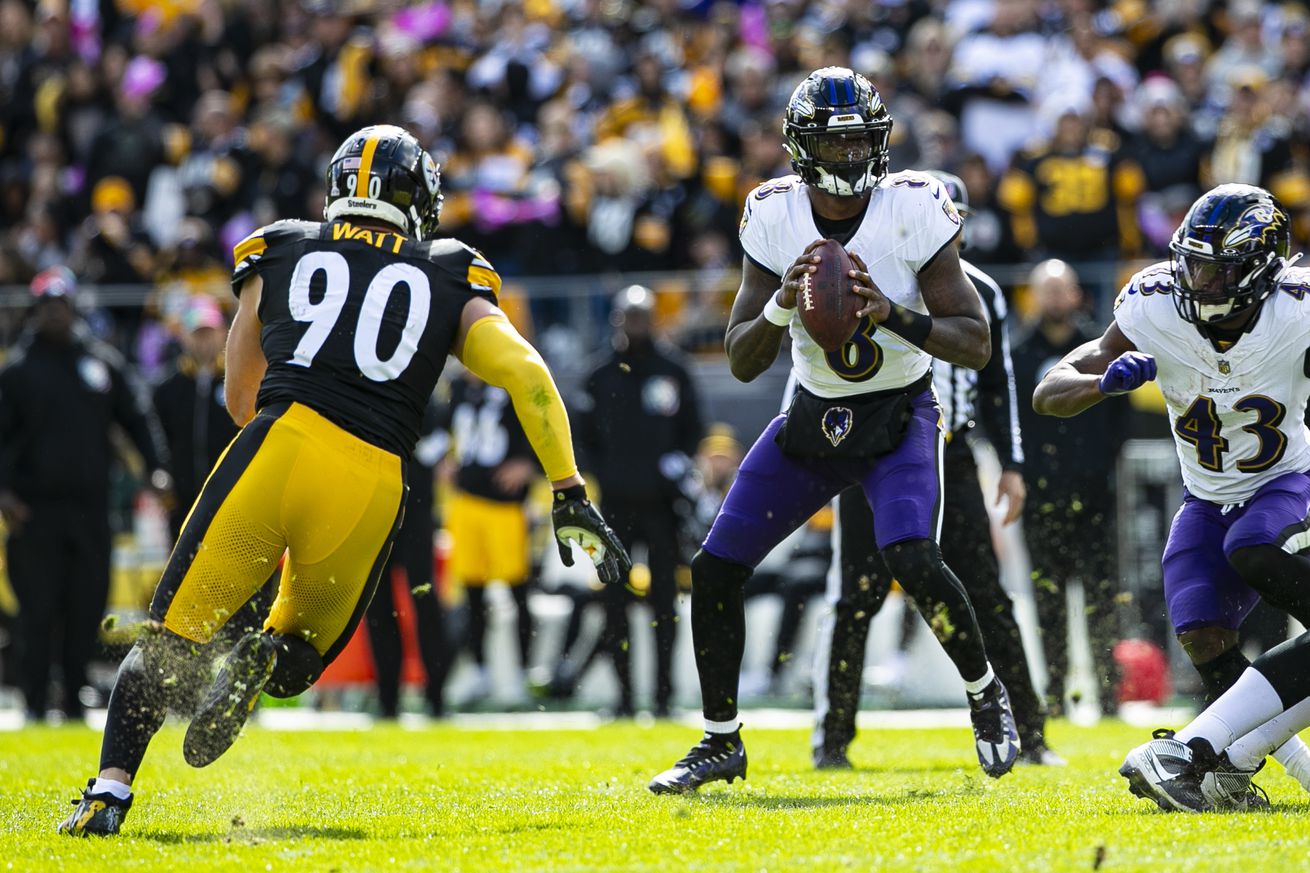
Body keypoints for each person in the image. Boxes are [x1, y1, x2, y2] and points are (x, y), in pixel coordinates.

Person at [58, 124, 630, 837]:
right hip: (372, 480)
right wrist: (569, 488)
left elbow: (240, 403)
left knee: (169, 639)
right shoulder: (450, 268)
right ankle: (260, 660)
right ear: (418, 197)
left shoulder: (284, 246)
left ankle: (108, 794)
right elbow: (527, 374)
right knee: (299, 659)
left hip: (282, 444)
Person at [648, 67, 1018, 795]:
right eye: (837, 142)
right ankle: (721, 740)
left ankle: (984, 693)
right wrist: (784, 306)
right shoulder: (772, 215)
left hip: (900, 411)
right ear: (801, 146)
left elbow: (975, 340)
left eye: (861, 140)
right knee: (717, 567)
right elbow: (741, 356)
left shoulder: (913, 207)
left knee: (911, 553)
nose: (852, 156)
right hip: (814, 413)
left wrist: (892, 312)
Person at [1033, 183, 1310, 804]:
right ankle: (1249, 763)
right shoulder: (1154, 305)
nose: (1200, 282)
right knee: (1199, 631)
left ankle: (1200, 752)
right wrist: (1103, 382)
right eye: (1194, 264)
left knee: (1253, 546)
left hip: (1287, 482)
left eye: (1218, 271)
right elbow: (1047, 393)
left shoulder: (1298, 311)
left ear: (1261, 271)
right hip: (1206, 495)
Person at [811, 171, 1055, 770]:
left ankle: (1030, 731)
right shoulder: (861, 279)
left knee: (988, 594)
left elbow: (998, 384)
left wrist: (1014, 463)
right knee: (856, 595)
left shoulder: (984, 291)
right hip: (873, 450)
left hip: (956, 449)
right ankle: (833, 739)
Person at [0, 267, 170, 723]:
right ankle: (36, 703)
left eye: (62, 303)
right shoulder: (17, 371)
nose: (55, 311)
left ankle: (74, 700)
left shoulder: (100, 363)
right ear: (37, 311)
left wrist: (155, 466)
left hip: (91, 509)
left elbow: (136, 414)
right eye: (47, 304)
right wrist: (5, 496)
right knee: (37, 610)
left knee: (85, 606)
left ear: (74, 308)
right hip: (34, 513)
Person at [578, 285, 705, 717]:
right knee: (615, 602)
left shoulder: (673, 370)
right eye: (629, 318)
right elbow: (582, 439)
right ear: (617, 321)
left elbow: (693, 429)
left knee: (664, 604)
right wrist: (604, 473)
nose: (636, 325)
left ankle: (665, 696)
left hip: (662, 507)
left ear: (654, 320)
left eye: (643, 317)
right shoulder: (599, 373)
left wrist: (676, 465)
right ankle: (625, 698)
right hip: (613, 507)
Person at [1011, 259, 1124, 715]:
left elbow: (1119, 421)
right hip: (1040, 499)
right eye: (1048, 291)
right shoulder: (1018, 354)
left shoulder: (1101, 349)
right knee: (1047, 601)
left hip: (1097, 496)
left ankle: (1109, 695)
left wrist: (1099, 469)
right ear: (1035, 297)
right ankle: (1055, 695)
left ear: (1077, 294)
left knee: (1103, 596)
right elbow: (1013, 421)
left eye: (1063, 290)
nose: (1056, 299)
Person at [445, 368, 539, 702]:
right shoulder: (455, 388)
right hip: (466, 503)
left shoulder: (513, 382)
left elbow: (546, 425)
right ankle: (479, 671)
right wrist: (444, 459)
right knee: (472, 593)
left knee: (517, 591)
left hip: (505, 506)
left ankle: (523, 674)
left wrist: (529, 464)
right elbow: (442, 430)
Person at [364, 398, 453, 719]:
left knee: (425, 601)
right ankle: (388, 696)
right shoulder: (368, 393)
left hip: (415, 512)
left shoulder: (427, 397)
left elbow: (433, 448)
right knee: (378, 606)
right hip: (376, 510)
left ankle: (436, 694)